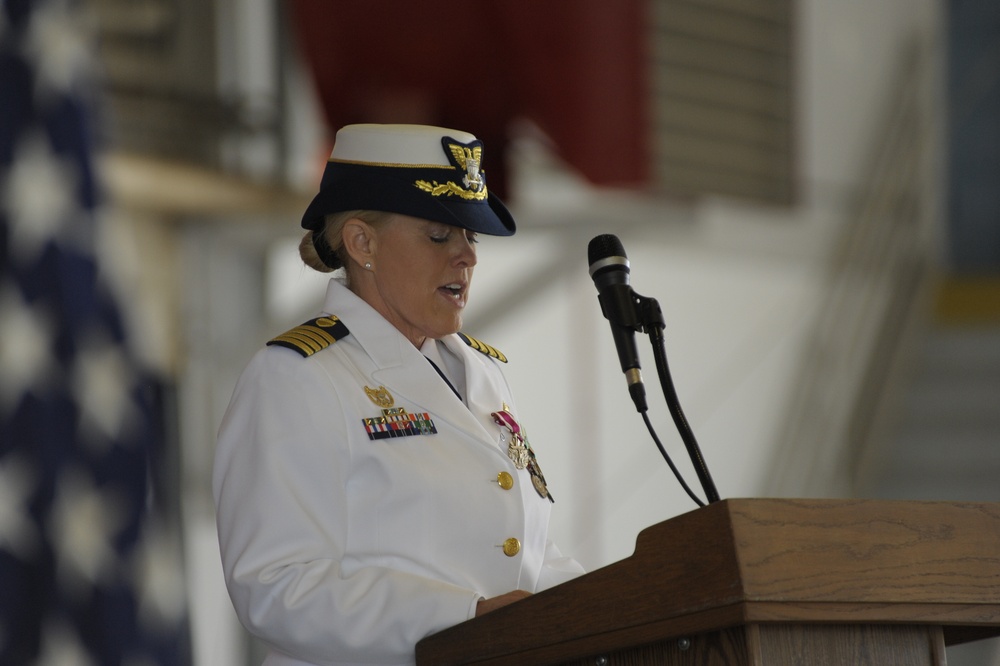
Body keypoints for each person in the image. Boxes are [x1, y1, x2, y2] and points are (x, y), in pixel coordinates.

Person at [213, 124, 585, 666]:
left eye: (471, 237)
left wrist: (617, 610)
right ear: (362, 242)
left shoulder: (482, 372)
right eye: (440, 235)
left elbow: (526, 557)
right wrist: (464, 621)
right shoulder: (298, 378)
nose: (467, 258)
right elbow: (276, 586)